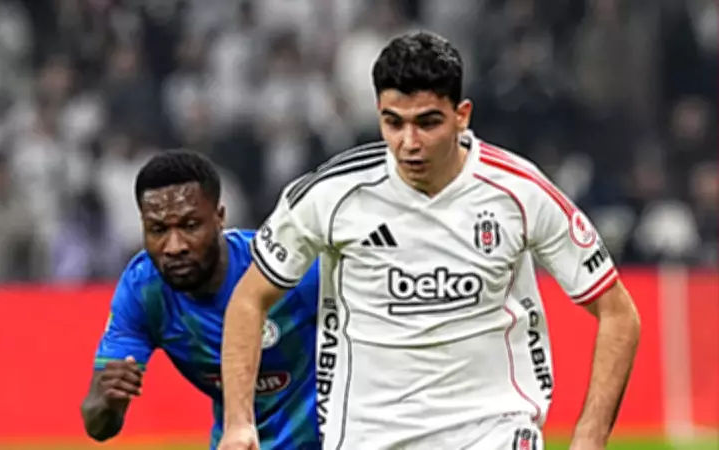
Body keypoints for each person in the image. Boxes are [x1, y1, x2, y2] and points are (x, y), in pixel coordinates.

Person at [218, 31, 641, 450]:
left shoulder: (519, 191)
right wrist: (239, 423)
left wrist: (590, 436)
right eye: (393, 122)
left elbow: (618, 312)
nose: (409, 143)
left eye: (427, 122)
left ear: (462, 115)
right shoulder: (331, 194)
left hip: (493, 429)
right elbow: (249, 299)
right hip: (368, 434)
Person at [80, 150, 322, 449]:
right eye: (158, 230)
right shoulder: (143, 291)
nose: (174, 246)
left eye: (190, 226)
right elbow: (97, 426)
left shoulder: (285, 268)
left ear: (220, 218)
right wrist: (109, 400)